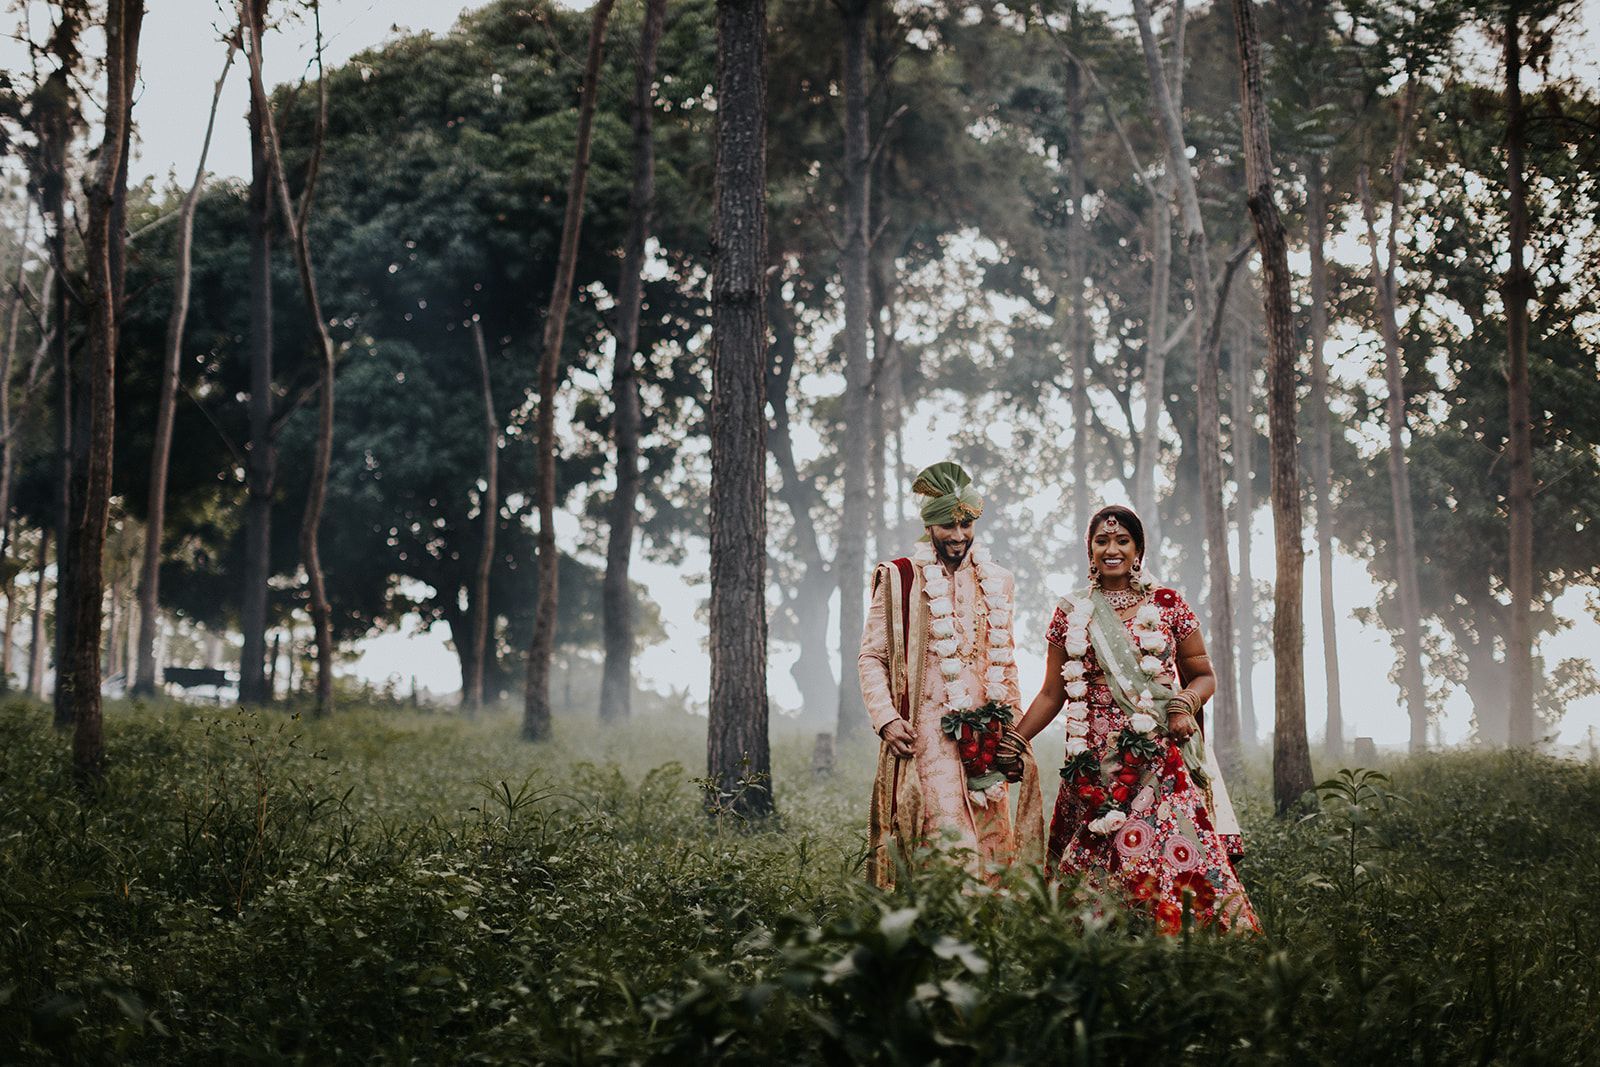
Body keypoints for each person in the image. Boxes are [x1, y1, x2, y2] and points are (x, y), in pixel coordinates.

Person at [1014, 504, 1258, 933]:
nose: (1112, 549)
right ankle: (1102, 945)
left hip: (1156, 755)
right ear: (1089, 550)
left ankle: (1180, 936)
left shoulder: (1167, 604)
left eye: (1122, 540)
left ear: (1138, 549)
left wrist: (1184, 704)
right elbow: (1053, 693)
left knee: (1166, 849)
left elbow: (1203, 675)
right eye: (1102, 541)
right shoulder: (1071, 610)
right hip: (1092, 761)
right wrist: (1016, 739)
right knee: (1097, 857)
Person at [859, 461, 1045, 888]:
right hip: (926, 738)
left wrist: (1013, 736)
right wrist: (886, 717)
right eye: (947, 525)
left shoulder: (1000, 581)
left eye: (965, 524)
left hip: (985, 737)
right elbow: (871, 656)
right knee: (943, 846)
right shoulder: (900, 578)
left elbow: (1007, 662)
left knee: (990, 850)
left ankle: (986, 941)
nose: (958, 535)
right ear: (929, 526)